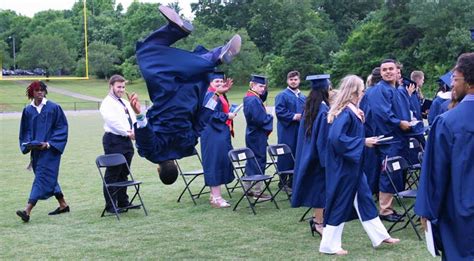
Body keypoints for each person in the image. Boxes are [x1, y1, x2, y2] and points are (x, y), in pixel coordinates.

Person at [129, 5, 241, 185]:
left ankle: (217, 56)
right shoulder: (152, 152)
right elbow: (145, 134)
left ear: (174, 166)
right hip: (166, 100)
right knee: (147, 54)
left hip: (189, 98)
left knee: (191, 71)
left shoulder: (187, 146)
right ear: (158, 169)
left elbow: (201, 123)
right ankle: (175, 29)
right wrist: (138, 113)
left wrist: (215, 96)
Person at [319, 75, 400, 255]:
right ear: (354, 91)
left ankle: (380, 236)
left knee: (364, 199)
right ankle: (329, 245)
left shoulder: (353, 111)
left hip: (353, 166)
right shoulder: (345, 113)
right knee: (339, 202)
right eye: (361, 89)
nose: (364, 92)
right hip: (343, 167)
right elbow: (336, 139)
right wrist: (363, 142)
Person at [415, 52, 474, 260]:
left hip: (460, 212)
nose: (452, 85)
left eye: (455, 79)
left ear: (468, 81)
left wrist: (426, 211)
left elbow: (435, 174)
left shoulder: (448, 122)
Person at [364, 59, 412, 222]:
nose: (388, 72)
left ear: (397, 70)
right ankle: (385, 210)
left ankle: (387, 206)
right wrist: (399, 122)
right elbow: (382, 114)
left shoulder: (395, 89)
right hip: (387, 138)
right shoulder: (380, 90)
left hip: (396, 138)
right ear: (381, 72)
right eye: (385, 69)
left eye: (391, 69)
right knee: (388, 172)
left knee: (392, 171)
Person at [16, 81, 69, 222]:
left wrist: (49, 144)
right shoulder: (28, 110)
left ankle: (27, 210)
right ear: (31, 93)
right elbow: (25, 130)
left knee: (41, 177)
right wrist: (28, 144)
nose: (40, 92)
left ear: (45, 92)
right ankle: (63, 204)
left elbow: (61, 128)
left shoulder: (53, 108)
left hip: (51, 151)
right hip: (36, 151)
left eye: (42, 90)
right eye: (37, 90)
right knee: (48, 176)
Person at [291, 74, 330, 237]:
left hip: (308, 153)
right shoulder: (322, 109)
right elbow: (322, 139)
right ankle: (318, 222)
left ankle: (318, 219)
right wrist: (326, 160)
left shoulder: (310, 106)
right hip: (318, 156)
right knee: (320, 190)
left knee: (318, 189)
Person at [99, 75, 140, 213]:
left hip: (126, 141)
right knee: (113, 173)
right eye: (118, 87)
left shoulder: (124, 102)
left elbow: (132, 118)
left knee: (124, 172)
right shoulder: (107, 103)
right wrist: (127, 133)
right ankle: (111, 205)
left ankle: (123, 202)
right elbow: (112, 122)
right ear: (111, 86)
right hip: (113, 140)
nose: (121, 89)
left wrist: (134, 132)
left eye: (123, 87)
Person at [200, 71, 236, 208]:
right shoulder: (209, 95)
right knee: (215, 163)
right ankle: (216, 198)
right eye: (217, 82)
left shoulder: (218, 94)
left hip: (219, 133)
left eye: (221, 81)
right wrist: (227, 116)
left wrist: (223, 92)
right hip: (212, 134)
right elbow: (211, 114)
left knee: (220, 161)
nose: (220, 84)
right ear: (210, 83)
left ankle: (213, 194)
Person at [274, 70, 306, 192]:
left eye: (296, 79)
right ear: (287, 81)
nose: (293, 82)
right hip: (287, 130)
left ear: (299, 80)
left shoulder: (303, 97)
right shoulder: (282, 95)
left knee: (297, 153)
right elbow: (280, 112)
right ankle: (282, 182)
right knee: (285, 154)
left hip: (299, 130)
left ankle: (293, 181)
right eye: (291, 79)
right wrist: (294, 116)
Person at [243, 74, 273, 200]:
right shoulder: (253, 100)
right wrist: (270, 117)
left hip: (253, 133)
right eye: (260, 86)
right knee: (258, 160)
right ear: (252, 85)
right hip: (256, 134)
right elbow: (259, 119)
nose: (262, 89)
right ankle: (257, 191)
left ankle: (247, 188)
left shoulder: (251, 96)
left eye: (264, 87)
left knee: (252, 160)